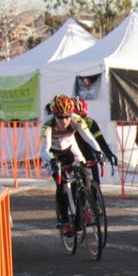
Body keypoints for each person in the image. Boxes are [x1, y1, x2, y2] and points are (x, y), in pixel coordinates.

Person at [41, 95, 99, 235]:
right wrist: (52, 161)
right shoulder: (47, 125)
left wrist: (98, 151)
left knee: (85, 172)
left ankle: (84, 206)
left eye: (67, 117)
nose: (64, 121)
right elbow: (44, 149)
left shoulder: (76, 119)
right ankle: (65, 221)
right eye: (60, 117)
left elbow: (89, 137)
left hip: (69, 148)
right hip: (53, 153)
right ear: (54, 115)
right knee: (61, 184)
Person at [72, 97, 118, 183]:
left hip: (88, 152)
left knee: (96, 182)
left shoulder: (89, 122)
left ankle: (96, 189)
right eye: (77, 116)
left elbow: (100, 141)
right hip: (73, 153)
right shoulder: (66, 122)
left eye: (83, 116)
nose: (80, 120)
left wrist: (109, 154)